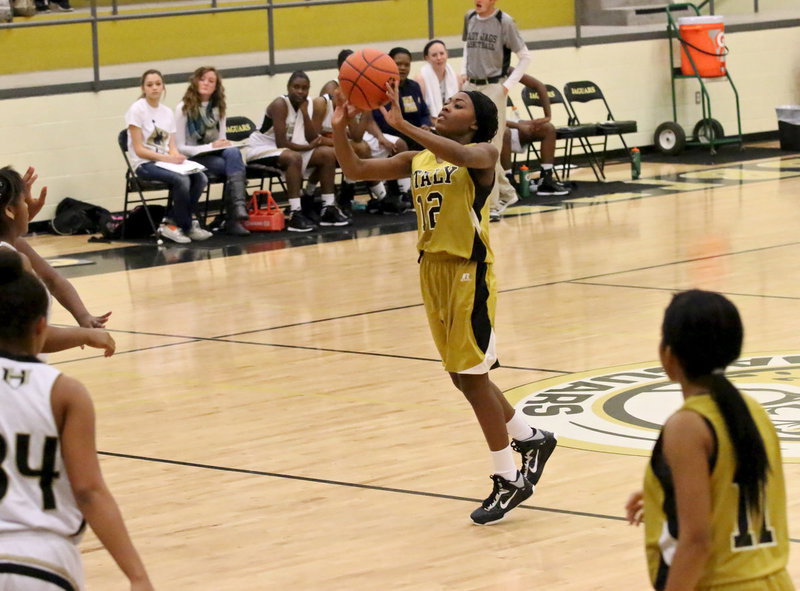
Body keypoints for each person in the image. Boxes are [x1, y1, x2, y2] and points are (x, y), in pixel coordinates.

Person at [333, 86, 556, 525]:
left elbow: (461, 154)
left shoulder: (483, 154)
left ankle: (508, 477)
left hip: (468, 273)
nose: (446, 106)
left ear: (474, 123)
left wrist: (402, 125)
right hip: (431, 271)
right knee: (462, 378)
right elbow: (355, 169)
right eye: (448, 101)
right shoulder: (418, 159)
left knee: (472, 379)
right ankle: (530, 437)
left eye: (458, 105)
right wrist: (340, 129)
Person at [0, 250, 154, 591]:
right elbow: (88, 491)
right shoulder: (64, 393)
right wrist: (137, 576)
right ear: (41, 327)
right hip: (42, 563)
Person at [625, 290, 794, 591]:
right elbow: (735, 488)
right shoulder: (753, 411)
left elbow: (697, 542)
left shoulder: (688, 426)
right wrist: (671, 495)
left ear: (668, 355)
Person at [0, 165, 115, 356]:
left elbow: (52, 279)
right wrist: (85, 336)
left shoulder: (15, 245)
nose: (29, 205)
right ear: (10, 210)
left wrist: (83, 316)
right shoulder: (13, 261)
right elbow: (26, 335)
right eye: (24, 201)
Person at [245, 70, 349, 232]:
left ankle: (328, 208)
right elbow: (281, 142)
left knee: (327, 154)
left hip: (287, 149)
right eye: (296, 87)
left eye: (304, 88)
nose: (300, 91)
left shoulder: (306, 104)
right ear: (288, 88)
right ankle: (295, 213)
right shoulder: (280, 104)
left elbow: (311, 136)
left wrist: (305, 113)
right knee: (294, 157)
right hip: (261, 148)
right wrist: (307, 147)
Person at [462, 0, 531, 221]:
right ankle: (508, 193)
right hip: (471, 85)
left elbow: (525, 56)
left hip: (494, 86)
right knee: (471, 144)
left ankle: (491, 205)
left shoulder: (505, 21)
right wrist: (464, 73)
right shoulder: (469, 17)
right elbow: (467, 47)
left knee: (490, 145)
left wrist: (507, 85)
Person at [125, 69, 210, 244]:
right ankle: (185, 225)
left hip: (165, 163)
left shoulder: (167, 112)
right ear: (143, 88)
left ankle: (173, 222)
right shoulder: (137, 110)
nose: (154, 88)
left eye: (158, 84)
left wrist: (178, 157)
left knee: (200, 178)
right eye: (150, 85)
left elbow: (171, 147)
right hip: (145, 164)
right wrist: (167, 159)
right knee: (182, 180)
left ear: (163, 86)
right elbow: (139, 150)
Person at [175, 66, 250, 236]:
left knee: (233, 153)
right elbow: (180, 148)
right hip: (192, 158)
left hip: (214, 155)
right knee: (234, 166)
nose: (206, 83)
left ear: (216, 87)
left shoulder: (219, 107)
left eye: (211, 81)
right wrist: (209, 147)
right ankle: (235, 216)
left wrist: (225, 144)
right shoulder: (183, 108)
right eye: (202, 79)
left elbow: (221, 140)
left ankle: (237, 210)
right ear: (195, 81)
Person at [310, 79, 388, 213]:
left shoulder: (351, 104)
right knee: (331, 155)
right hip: (310, 145)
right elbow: (313, 138)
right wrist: (339, 141)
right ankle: (310, 195)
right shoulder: (322, 103)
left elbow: (356, 136)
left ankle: (351, 192)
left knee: (362, 148)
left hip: (330, 143)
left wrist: (361, 112)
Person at [503, 70, 569, 196]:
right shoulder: (475, 77)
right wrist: (518, 126)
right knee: (504, 132)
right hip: (486, 126)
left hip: (506, 121)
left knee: (547, 128)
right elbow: (487, 117)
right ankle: (508, 181)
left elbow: (539, 86)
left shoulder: (505, 68)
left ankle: (546, 179)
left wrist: (547, 116)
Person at [415, 39, 461, 119]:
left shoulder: (457, 77)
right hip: (429, 120)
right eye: (434, 55)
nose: (439, 58)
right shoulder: (419, 80)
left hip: (453, 119)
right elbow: (419, 109)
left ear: (447, 54)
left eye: (442, 53)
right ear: (427, 58)